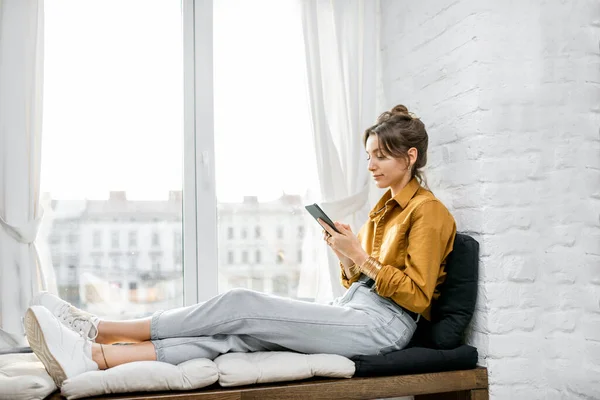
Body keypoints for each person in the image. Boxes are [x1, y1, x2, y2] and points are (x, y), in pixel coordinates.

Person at [24, 104, 456, 387]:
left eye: (380, 156)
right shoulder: (386, 208)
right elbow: (364, 276)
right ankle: (96, 357)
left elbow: (416, 296)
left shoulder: (429, 212)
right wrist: (347, 256)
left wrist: (360, 257)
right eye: (368, 156)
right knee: (236, 336)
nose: (371, 165)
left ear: (411, 156)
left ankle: (101, 327)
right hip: (355, 307)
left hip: (384, 327)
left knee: (240, 301)